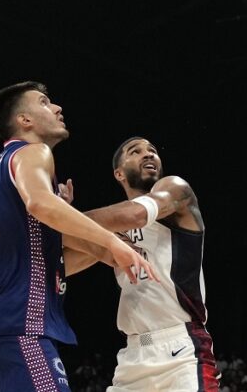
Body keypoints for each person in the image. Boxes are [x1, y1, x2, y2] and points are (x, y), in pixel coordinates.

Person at [0, 81, 155, 392]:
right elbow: (41, 203)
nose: (57, 108)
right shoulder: (33, 151)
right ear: (24, 120)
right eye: (44, 102)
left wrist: (99, 249)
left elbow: (45, 263)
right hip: (21, 328)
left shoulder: (0, 167)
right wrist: (109, 241)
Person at [79, 137, 220, 391]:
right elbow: (64, 260)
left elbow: (135, 214)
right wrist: (56, 221)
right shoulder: (109, 231)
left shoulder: (176, 190)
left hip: (180, 349)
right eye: (135, 151)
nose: (148, 155)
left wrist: (61, 217)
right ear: (119, 173)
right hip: (132, 355)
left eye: (152, 151)